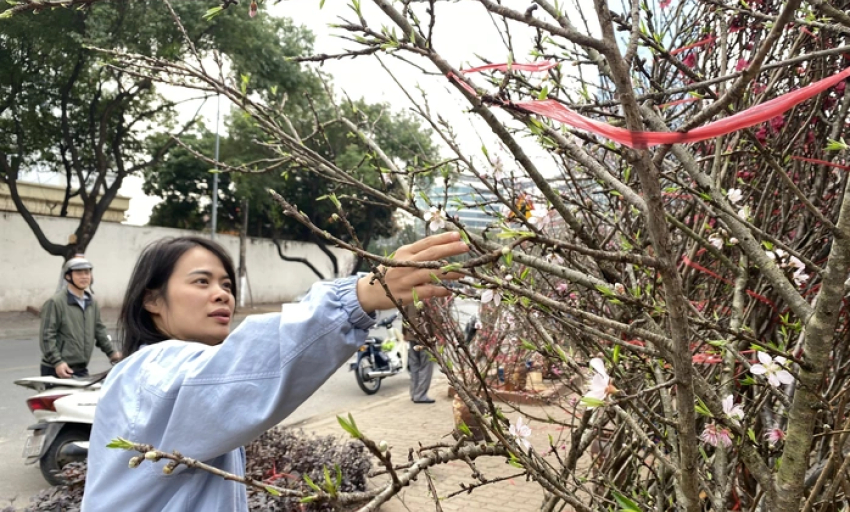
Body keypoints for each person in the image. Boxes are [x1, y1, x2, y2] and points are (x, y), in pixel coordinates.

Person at [81, 233, 467, 511]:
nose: (222, 294)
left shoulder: (152, 369)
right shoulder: (151, 373)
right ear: (151, 299)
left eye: (226, 284)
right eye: (201, 281)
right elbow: (243, 369)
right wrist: (359, 297)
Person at [39, 257, 121, 378]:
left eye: (87, 273)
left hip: (80, 368)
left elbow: (99, 330)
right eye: (79, 273)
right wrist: (57, 362)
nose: (84, 277)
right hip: (57, 369)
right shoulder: (55, 302)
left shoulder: (92, 303)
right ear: (68, 276)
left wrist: (111, 352)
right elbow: (47, 336)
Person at [403, 302, 435, 404]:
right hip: (425, 335)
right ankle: (420, 394)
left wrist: (404, 332)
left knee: (415, 365)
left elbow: (404, 313)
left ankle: (414, 393)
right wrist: (436, 335)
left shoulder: (409, 296)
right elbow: (435, 316)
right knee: (426, 365)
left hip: (411, 334)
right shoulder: (429, 296)